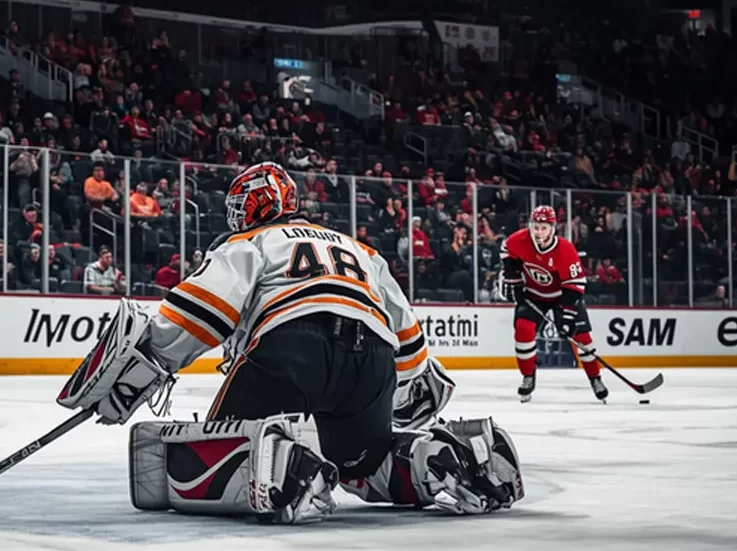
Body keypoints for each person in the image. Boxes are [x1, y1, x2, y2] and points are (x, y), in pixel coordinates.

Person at [56, 162, 524, 524]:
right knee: (363, 461)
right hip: (373, 364)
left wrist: (144, 363)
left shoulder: (252, 243)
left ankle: (287, 468)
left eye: (240, 207)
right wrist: (395, 396)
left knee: (223, 446)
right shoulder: (362, 250)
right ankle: (443, 460)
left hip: (291, 349)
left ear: (254, 208)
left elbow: (198, 315)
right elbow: (408, 342)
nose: (236, 217)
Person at [498, 205, 607, 403]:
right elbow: (507, 253)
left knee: (582, 338)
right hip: (533, 296)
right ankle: (528, 377)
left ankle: (595, 378)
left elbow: (574, 287)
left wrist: (566, 316)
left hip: (562, 296)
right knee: (523, 330)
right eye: (535, 227)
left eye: (543, 228)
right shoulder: (518, 240)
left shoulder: (565, 249)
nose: (538, 232)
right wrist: (513, 281)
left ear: (553, 228)